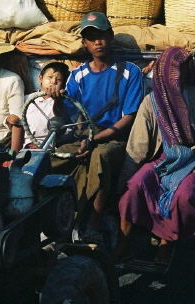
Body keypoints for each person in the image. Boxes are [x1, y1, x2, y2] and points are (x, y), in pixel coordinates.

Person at [117, 47, 195, 263]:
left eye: (179, 72)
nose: (176, 77)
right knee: (134, 188)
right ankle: (123, 242)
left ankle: (166, 243)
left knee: (182, 197)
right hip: (164, 161)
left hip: (194, 162)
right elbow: (137, 146)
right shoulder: (151, 102)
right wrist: (121, 183)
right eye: (171, 72)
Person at [47, 12, 143, 242]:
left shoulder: (130, 72)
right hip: (82, 136)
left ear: (110, 37)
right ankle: (57, 217)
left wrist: (95, 140)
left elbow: (129, 117)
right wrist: (57, 101)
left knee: (100, 157)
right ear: (85, 44)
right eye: (91, 38)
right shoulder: (77, 75)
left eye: (102, 36)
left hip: (115, 139)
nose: (98, 42)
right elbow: (66, 115)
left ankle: (92, 224)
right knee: (49, 159)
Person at [24, 62, 70, 149]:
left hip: (48, 148)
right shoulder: (26, 99)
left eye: (59, 80)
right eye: (50, 77)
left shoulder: (64, 103)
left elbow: (68, 130)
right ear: (40, 78)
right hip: (23, 146)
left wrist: (58, 103)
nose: (53, 82)